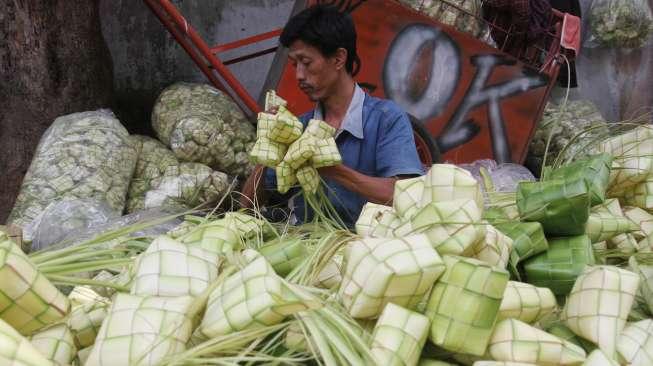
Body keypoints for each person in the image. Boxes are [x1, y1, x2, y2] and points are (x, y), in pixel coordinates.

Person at [240, 4, 424, 228]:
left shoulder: (386, 119)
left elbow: (408, 197)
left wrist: (334, 171)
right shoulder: (301, 128)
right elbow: (246, 207)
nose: (299, 75)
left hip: (365, 251)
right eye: (294, 64)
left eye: (306, 63)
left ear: (338, 59)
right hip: (307, 247)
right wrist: (267, 144)